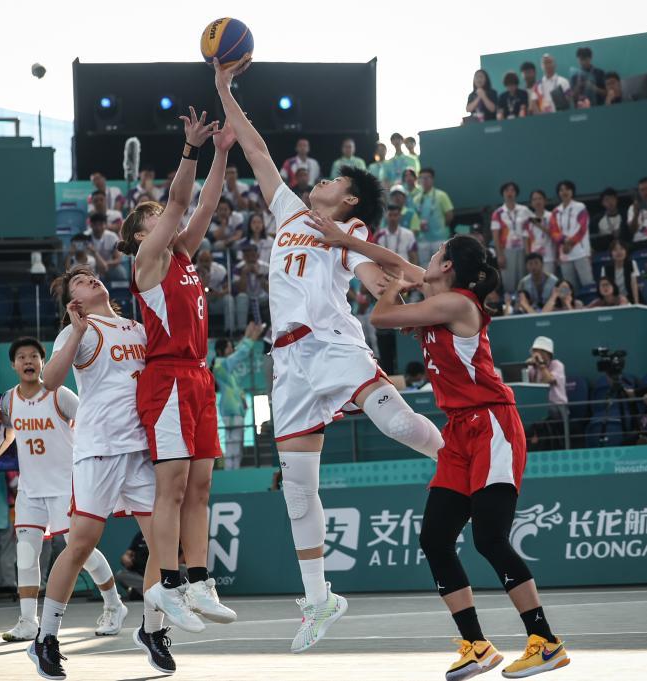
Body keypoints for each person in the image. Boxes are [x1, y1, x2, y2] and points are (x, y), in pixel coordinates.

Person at [215, 56, 444, 653]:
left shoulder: (353, 234)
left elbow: (371, 278)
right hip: (287, 363)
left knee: (398, 424)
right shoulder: (290, 210)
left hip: (332, 344)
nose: (321, 182)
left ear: (349, 201)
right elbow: (256, 149)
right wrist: (223, 87)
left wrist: (387, 281)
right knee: (297, 488)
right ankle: (320, 599)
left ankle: (460, 458)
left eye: (334, 182)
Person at [323, 232, 569, 678]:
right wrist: (343, 239)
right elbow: (392, 259)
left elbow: (381, 316)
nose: (430, 257)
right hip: (458, 431)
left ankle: (545, 641)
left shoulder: (456, 304)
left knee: (489, 538)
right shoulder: (437, 292)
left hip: (491, 424)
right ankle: (477, 645)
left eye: (437, 253)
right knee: (435, 538)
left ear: (449, 265)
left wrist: (396, 289)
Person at [120, 108, 238, 648]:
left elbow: (205, 204)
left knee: (201, 486)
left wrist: (221, 154)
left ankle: (199, 581)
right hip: (166, 378)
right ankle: (166, 584)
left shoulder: (183, 253)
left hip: (197, 377)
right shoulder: (148, 260)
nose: (166, 219)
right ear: (141, 234)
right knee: (170, 487)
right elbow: (179, 202)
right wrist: (191, 149)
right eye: (154, 217)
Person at [24, 267, 161, 679]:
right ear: (75, 301)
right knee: (81, 545)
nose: (92, 280)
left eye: (92, 276)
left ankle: (152, 630)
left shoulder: (136, 327)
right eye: (80, 281)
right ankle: (45, 637)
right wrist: (77, 330)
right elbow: (50, 380)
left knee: (163, 545)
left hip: (139, 450)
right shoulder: (77, 332)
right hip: (98, 450)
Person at [0, 337, 125, 643]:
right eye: (22, 357)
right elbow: (6, 435)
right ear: (13, 365)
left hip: (66, 488)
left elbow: (92, 422)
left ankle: (114, 605)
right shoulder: (8, 400)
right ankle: (28, 621)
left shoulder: (60, 395)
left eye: (34, 356)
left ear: (43, 363)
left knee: (80, 550)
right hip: (30, 491)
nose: (28, 361)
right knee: (26, 554)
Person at [212, 323, 265, 470]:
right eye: (229, 347)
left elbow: (238, 351)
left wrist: (248, 335)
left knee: (236, 448)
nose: (232, 349)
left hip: (235, 411)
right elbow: (240, 353)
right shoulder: (221, 365)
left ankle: (232, 471)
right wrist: (252, 337)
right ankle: (230, 473)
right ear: (221, 350)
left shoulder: (227, 367)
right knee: (233, 448)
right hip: (231, 412)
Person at [550, 180, 593, 290]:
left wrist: (571, 243)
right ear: (558, 193)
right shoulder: (556, 211)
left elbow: (583, 228)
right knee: (570, 287)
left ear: (572, 191)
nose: (564, 192)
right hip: (565, 254)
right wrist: (564, 241)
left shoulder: (580, 207)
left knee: (587, 282)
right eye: (561, 190)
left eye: (567, 189)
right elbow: (554, 232)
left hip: (580, 252)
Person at [491, 182, 532, 291]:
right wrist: (500, 255)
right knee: (509, 281)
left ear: (516, 193)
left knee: (524, 279)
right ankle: (510, 300)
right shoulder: (498, 213)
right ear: (503, 193)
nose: (509, 193)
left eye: (512, 190)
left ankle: (524, 299)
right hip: (507, 250)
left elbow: (534, 224)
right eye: (507, 190)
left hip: (523, 249)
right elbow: (495, 236)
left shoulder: (524, 210)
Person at [413, 168, 454, 259]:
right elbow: (415, 218)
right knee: (423, 265)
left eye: (427, 178)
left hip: (440, 239)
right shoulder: (416, 199)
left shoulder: (441, 195)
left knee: (441, 263)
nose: (424, 180)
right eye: (421, 178)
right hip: (422, 240)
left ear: (432, 179)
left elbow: (449, 215)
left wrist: (440, 227)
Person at [526, 336, 568, 420]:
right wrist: (525, 366)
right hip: (538, 406)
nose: (537, 354)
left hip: (558, 407)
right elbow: (526, 384)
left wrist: (541, 365)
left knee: (541, 412)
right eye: (535, 351)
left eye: (541, 351)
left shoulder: (557, 365)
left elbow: (548, 380)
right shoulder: (532, 368)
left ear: (549, 354)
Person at [195, 249, 235, 335]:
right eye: (201, 261)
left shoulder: (220, 270)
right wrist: (205, 281)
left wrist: (219, 294)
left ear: (211, 260)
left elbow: (228, 288)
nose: (204, 263)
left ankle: (229, 331)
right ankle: (199, 332)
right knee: (200, 301)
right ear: (197, 261)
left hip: (216, 299)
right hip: (199, 301)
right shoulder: (192, 271)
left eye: (206, 260)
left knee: (229, 299)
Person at [235, 242, 271, 328]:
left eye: (253, 255)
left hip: (262, 296)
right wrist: (244, 273)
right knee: (241, 297)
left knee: (271, 297)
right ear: (243, 257)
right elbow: (241, 290)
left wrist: (258, 274)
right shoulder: (238, 268)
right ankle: (241, 329)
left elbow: (269, 289)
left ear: (258, 255)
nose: (250, 258)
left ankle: (271, 327)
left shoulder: (266, 267)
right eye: (247, 256)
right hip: (247, 297)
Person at [597, 240, 641, 304]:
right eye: (615, 250)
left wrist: (636, 303)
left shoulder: (632, 264)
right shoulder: (605, 269)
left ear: (626, 251)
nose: (619, 252)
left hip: (630, 298)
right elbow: (604, 286)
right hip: (614, 300)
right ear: (611, 253)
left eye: (621, 249)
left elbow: (634, 285)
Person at [89, 212, 127, 281]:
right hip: (92, 268)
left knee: (121, 272)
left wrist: (105, 264)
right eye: (95, 225)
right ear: (91, 225)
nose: (98, 228)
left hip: (109, 266)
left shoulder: (112, 237)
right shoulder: (85, 237)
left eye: (101, 224)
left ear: (105, 225)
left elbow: (118, 259)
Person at [116, 531, 150, 600]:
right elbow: (128, 553)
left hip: (156, 574)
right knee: (120, 575)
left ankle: (140, 593)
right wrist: (125, 558)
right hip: (138, 575)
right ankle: (148, 592)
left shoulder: (161, 533)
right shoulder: (140, 535)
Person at [527, 190, 555, 269]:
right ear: (531, 203)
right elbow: (526, 239)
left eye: (540, 198)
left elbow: (555, 234)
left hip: (549, 256)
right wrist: (528, 256)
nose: (537, 201)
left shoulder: (551, 216)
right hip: (534, 257)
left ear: (545, 201)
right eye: (534, 199)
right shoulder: (528, 219)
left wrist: (539, 225)